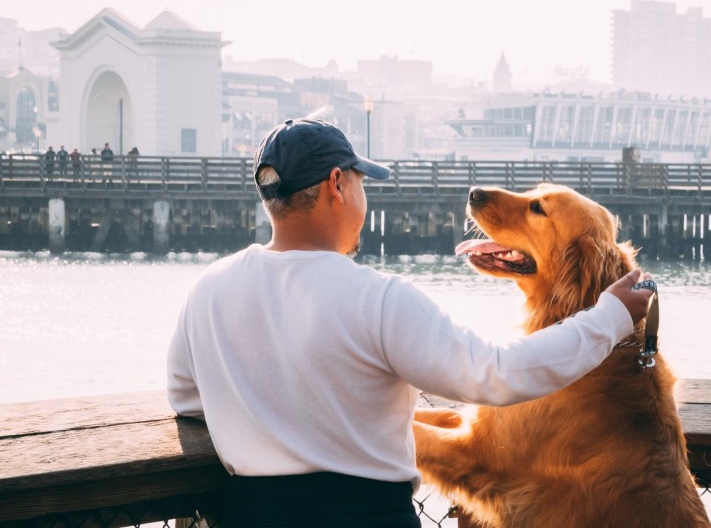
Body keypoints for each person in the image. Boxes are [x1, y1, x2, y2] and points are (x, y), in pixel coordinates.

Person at [166, 118, 656, 528]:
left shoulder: (206, 290)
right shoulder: (377, 298)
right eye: (361, 183)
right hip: (366, 516)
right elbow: (494, 373)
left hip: (248, 516)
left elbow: (187, 400)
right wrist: (610, 317)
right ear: (338, 185)